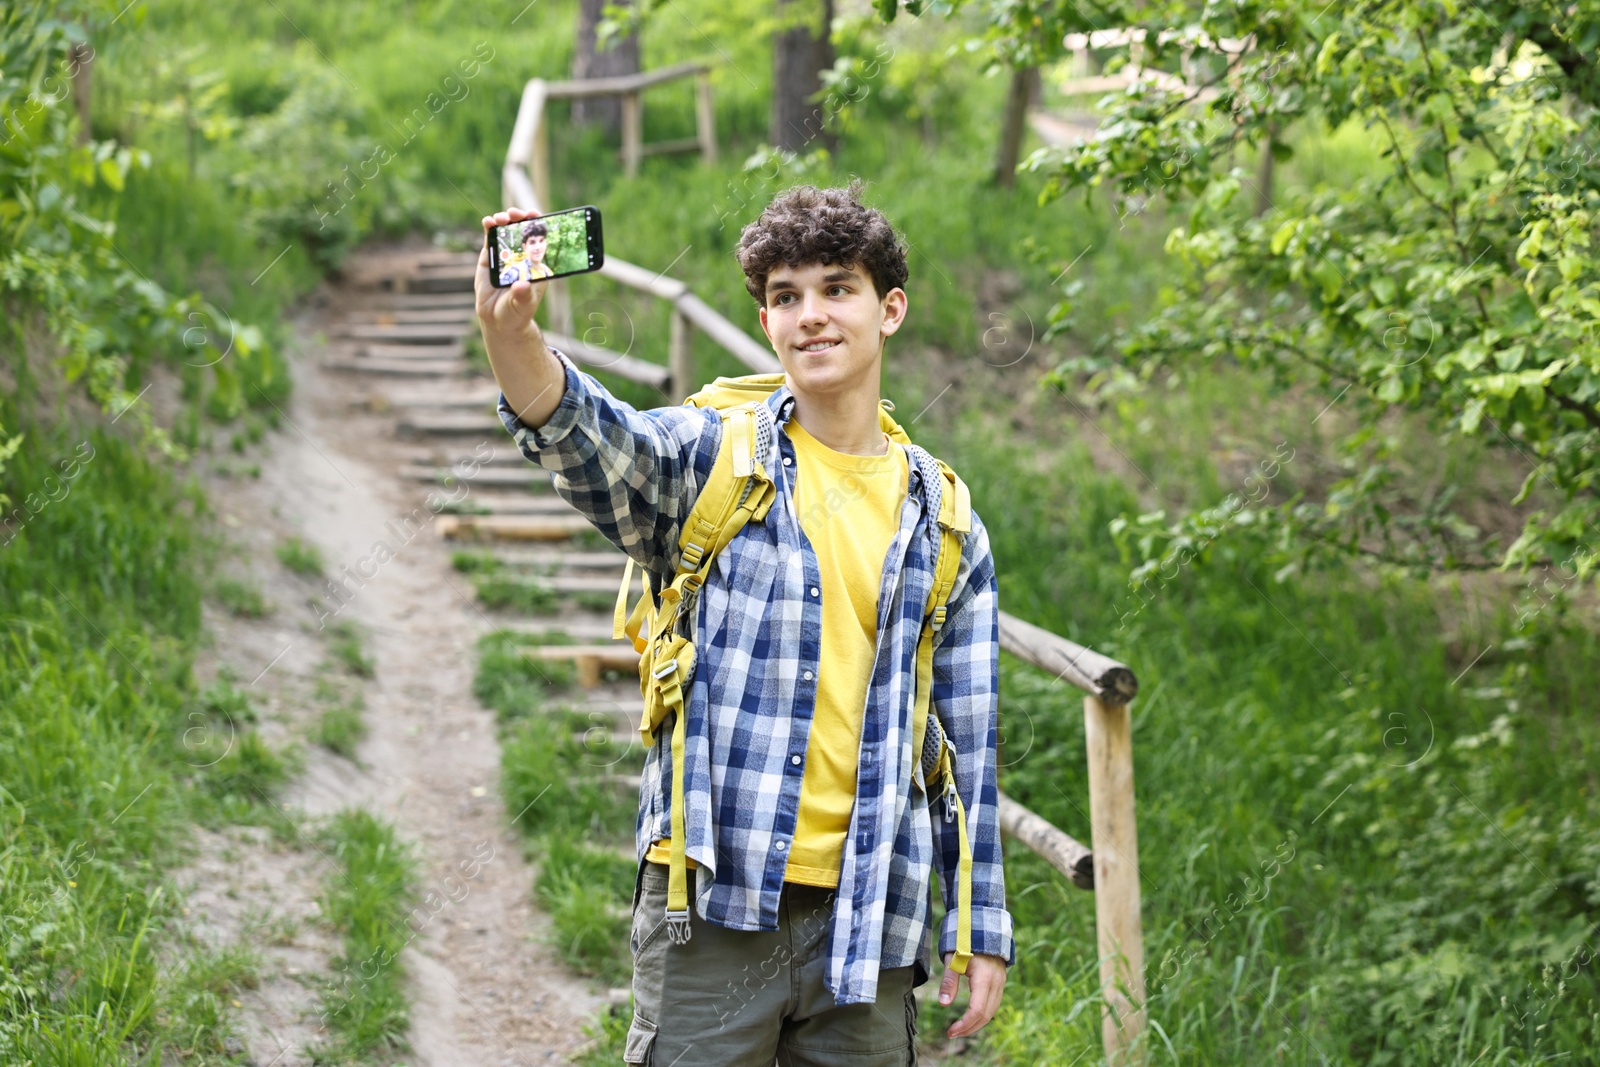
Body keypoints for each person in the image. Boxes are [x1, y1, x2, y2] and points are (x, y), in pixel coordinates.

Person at [475, 181, 1011, 1066]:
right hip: (713, 903)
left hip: (871, 920)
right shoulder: (712, 458)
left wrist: (981, 919)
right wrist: (511, 334)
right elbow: (583, 430)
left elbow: (971, 742)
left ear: (891, 309)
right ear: (766, 323)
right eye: (784, 297)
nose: (811, 316)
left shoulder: (944, 514)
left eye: (837, 288)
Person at [498, 219, 556, 284]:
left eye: (541, 241)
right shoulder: (515, 272)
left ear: (546, 243)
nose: (538, 247)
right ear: (524, 247)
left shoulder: (547, 271)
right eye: (532, 242)